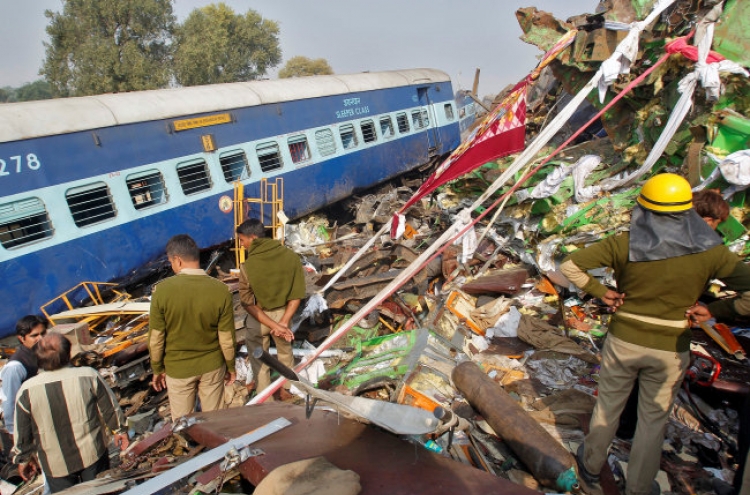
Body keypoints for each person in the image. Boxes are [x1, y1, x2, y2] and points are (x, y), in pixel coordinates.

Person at [559, 174, 750, 495]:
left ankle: (590, 468)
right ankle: (639, 487)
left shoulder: (624, 242)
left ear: (643, 208)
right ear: (687, 210)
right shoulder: (712, 252)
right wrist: (717, 311)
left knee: (608, 407)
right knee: (653, 420)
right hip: (670, 346)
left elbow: (569, 266)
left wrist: (600, 291)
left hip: (623, 340)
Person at [616, 187, 731, 440]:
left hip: (634, 320)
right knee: (650, 385)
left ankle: (620, 428)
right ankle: (632, 432)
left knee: (627, 379)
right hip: (665, 326)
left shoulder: (657, 232)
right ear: (707, 220)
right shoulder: (706, 248)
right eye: (714, 222)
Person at [12, 333, 129, 493]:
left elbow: (22, 431)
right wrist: (119, 431)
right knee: (101, 491)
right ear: (68, 354)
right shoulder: (87, 375)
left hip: (55, 464)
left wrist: (23, 459)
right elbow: (110, 408)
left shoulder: (26, 391)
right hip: (92, 453)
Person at [148, 234, 236, 419]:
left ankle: (188, 446)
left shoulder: (161, 292)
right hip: (212, 366)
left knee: (183, 424)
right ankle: (217, 447)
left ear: (178, 261)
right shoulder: (221, 290)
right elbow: (226, 338)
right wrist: (230, 366)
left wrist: (157, 369)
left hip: (178, 370)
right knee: (216, 421)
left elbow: (156, 339)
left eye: (171, 261)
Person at [236, 219, 306, 399]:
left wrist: (271, 324)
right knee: (285, 354)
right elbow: (296, 294)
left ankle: (265, 400)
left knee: (259, 361)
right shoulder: (291, 257)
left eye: (242, 240)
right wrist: (282, 322)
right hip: (284, 314)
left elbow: (247, 303)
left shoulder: (247, 266)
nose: (242, 245)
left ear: (253, 238)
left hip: (258, 320)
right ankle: (289, 390)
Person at [0, 316, 46, 438]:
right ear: (21, 338)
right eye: (34, 335)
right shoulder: (15, 367)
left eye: (43, 333)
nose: (40, 338)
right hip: (29, 426)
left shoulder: (42, 354)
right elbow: (10, 401)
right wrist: (13, 431)